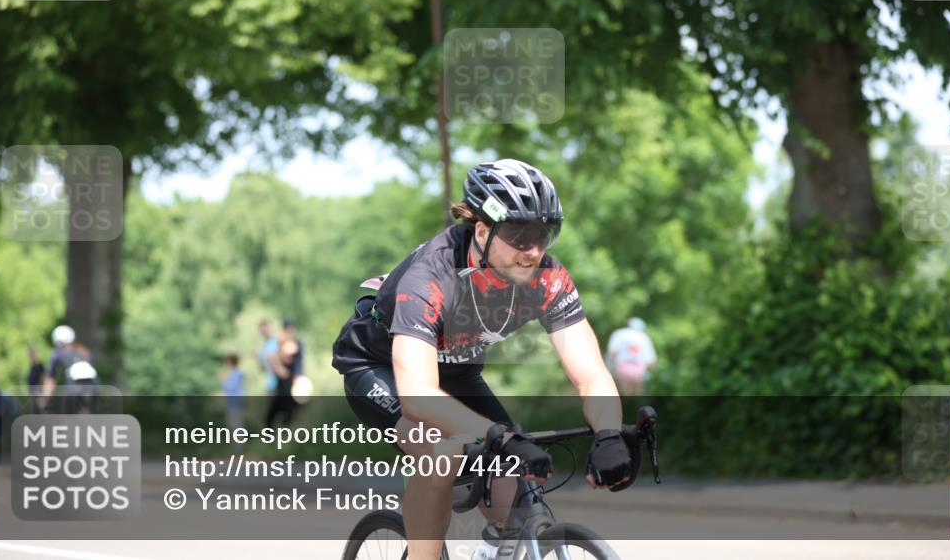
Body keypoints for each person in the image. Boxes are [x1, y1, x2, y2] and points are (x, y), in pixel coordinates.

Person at [331, 159, 633, 560]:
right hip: (380, 369)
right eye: (519, 237)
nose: (534, 251)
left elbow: (591, 373)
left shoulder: (547, 278)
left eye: (543, 235)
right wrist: (500, 436)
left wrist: (609, 433)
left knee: (516, 492)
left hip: (456, 372)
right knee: (443, 452)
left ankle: (497, 549)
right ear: (482, 230)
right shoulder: (431, 276)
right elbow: (418, 396)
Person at [39, 324, 100, 413]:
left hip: (73, 386)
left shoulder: (57, 353)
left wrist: (44, 399)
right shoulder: (83, 350)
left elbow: (51, 379)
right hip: (94, 384)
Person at [605, 317, 658, 397]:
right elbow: (651, 360)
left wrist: (609, 367)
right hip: (639, 368)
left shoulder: (619, 333)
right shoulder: (644, 337)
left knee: (623, 393)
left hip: (622, 367)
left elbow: (611, 352)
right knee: (637, 394)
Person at [264, 320, 303, 428]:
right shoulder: (280, 344)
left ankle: (287, 439)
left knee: (289, 416)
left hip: (289, 385)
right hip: (280, 387)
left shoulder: (295, 345)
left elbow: (289, 367)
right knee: (270, 418)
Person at [219, 354, 246, 452]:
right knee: (234, 425)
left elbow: (230, 388)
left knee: (235, 425)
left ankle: (238, 449)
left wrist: (223, 380)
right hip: (235, 402)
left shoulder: (236, 374)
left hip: (234, 402)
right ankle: (237, 448)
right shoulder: (237, 373)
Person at [256, 319, 279, 395]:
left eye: (266, 329)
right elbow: (263, 368)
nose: (265, 332)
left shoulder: (278, 341)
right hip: (271, 384)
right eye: (263, 330)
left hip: (280, 383)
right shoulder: (263, 348)